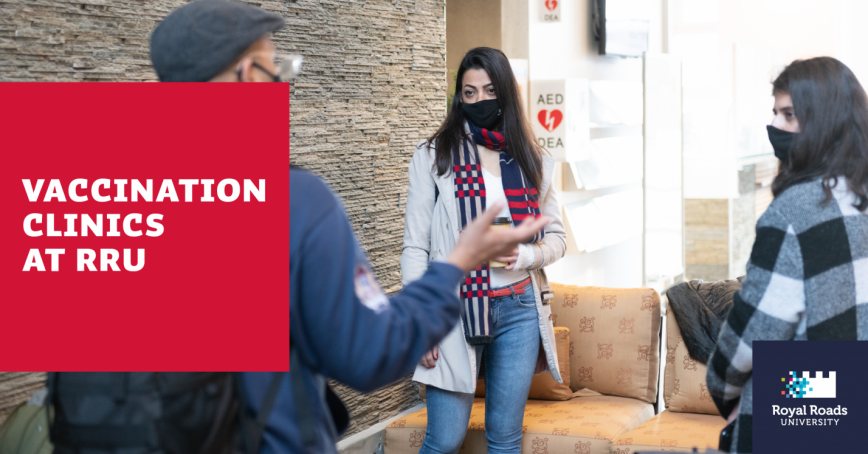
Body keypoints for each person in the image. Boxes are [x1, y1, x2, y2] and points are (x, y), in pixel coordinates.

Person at [150, 3, 551, 453]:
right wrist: (459, 262)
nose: (281, 85)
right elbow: (368, 354)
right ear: (247, 74)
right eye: (277, 67)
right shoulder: (296, 201)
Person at [402, 47, 567, 453]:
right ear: (459, 97)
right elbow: (414, 247)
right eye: (469, 93)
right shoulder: (433, 156)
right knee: (445, 440)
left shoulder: (535, 159)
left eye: (490, 90)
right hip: (452, 309)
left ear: (507, 93)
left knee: (505, 439)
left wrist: (527, 256)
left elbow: (558, 239)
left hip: (519, 311)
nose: (479, 101)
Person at [706, 56, 868, 454]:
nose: (775, 127)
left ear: (824, 120)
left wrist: (725, 388)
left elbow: (755, 335)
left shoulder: (793, 212)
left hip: (801, 408)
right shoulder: (860, 197)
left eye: (790, 114)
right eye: (775, 113)